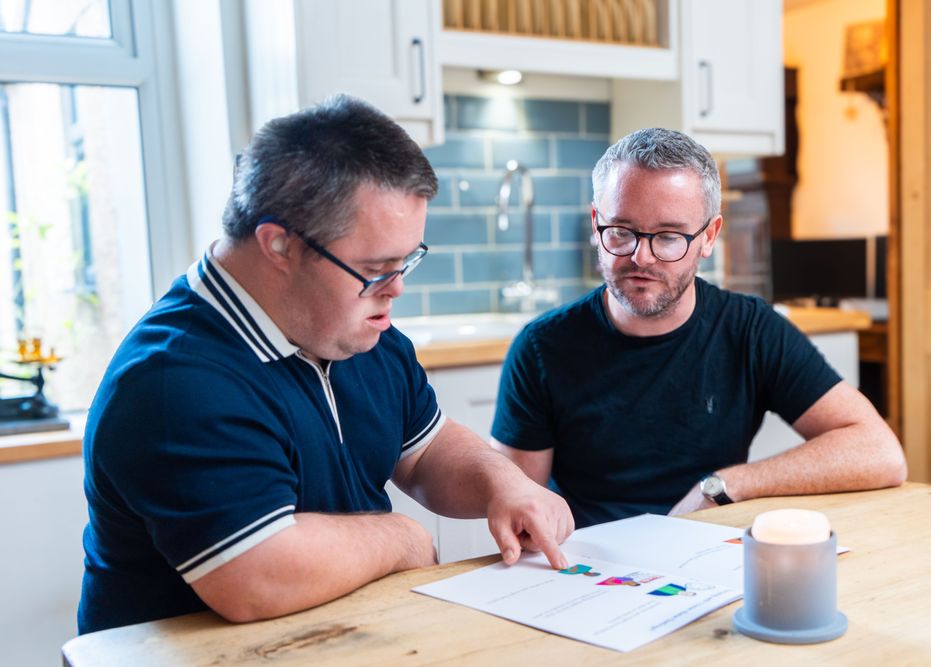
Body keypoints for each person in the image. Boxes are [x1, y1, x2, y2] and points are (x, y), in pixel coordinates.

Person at [78, 95, 573, 634]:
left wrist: (505, 484)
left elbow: (425, 451)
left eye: (407, 260)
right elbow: (255, 575)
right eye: (377, 268)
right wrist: (401, 537)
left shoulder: (353, 329)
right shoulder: (174, 380)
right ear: (279, 246)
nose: (398, 287)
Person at [490, 128, 907, 529]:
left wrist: (723, 487)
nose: (642, 257)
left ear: (709, 236)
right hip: (588, 569)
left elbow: (880, 452)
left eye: (669, 237)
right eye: (620, 232)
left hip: (708, 557)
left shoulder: (750, 331)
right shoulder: (542, 348)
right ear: (596, 224)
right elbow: (516, 505)